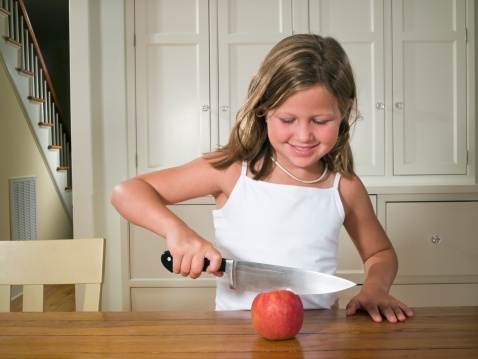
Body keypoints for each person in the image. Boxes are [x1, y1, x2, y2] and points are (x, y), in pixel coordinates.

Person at [111, 34, 413, 323]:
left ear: (345, 111)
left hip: (321, 337)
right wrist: (176, 231)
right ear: (264, 111)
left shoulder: (344, 187)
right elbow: (127, 192)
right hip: (235, 339)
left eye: (320, 121)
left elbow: (380, 253)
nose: (304, 135)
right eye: (287, 120)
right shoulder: (231, 170)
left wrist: (375, 287)